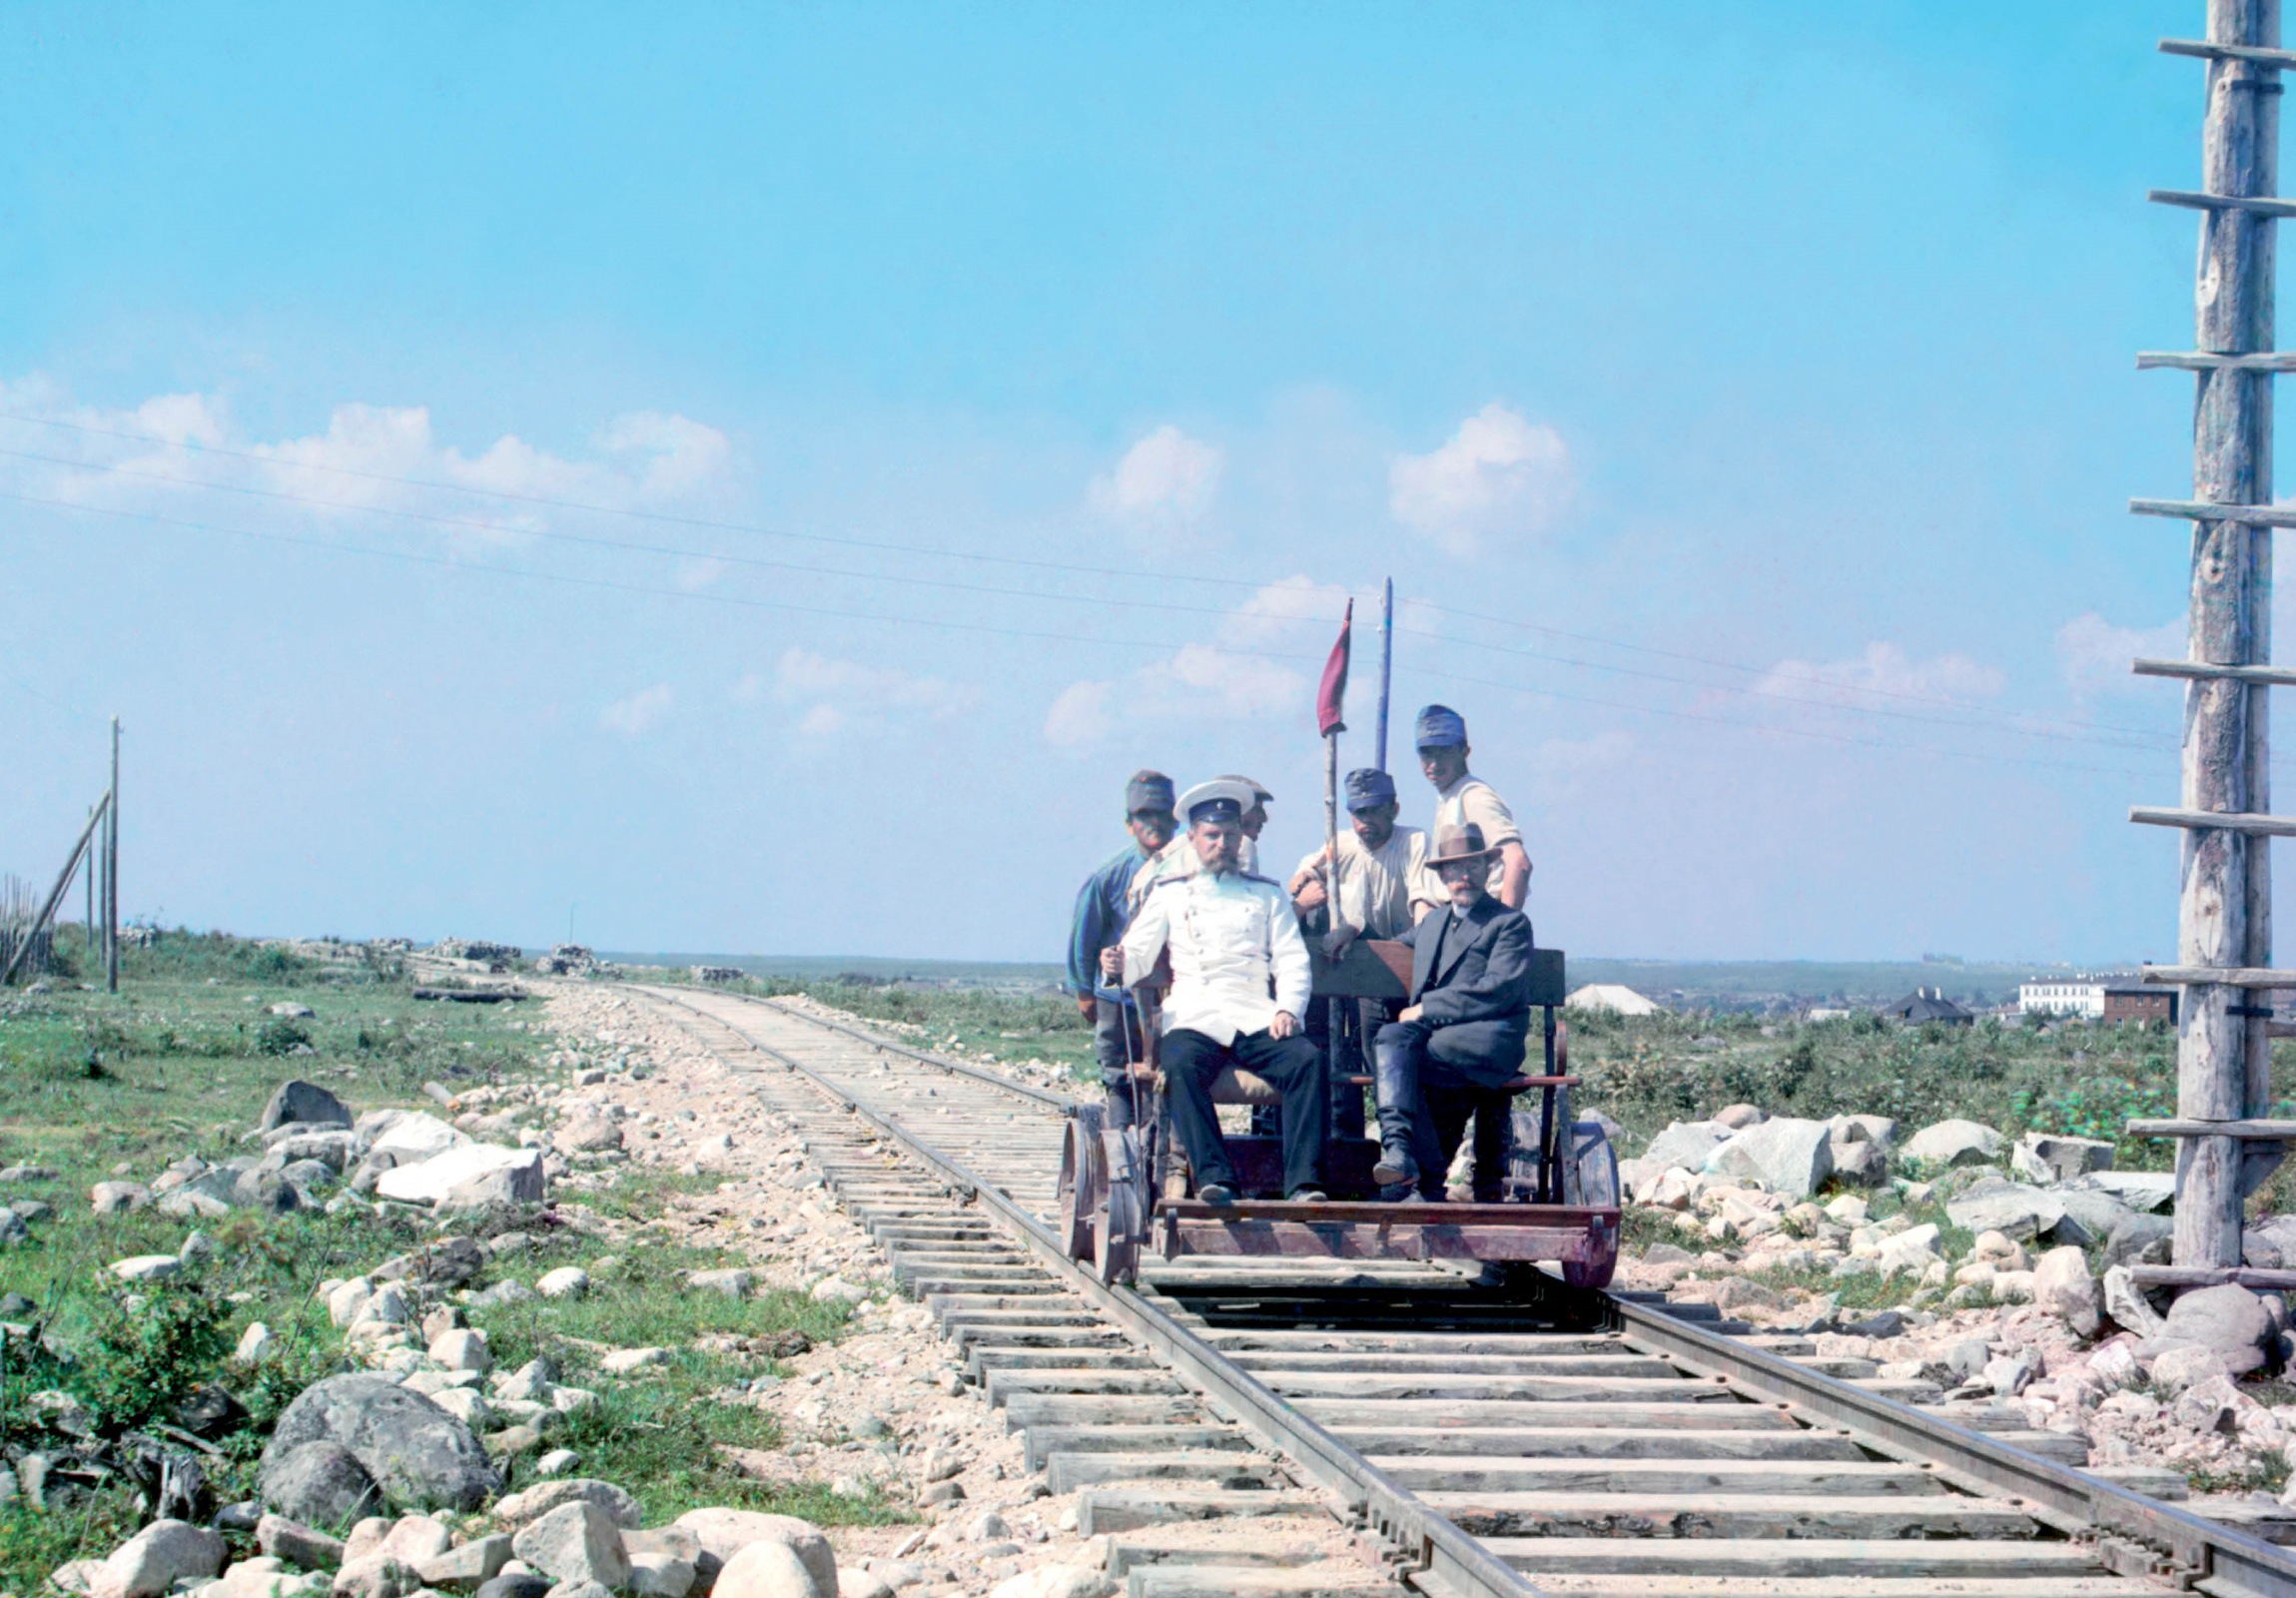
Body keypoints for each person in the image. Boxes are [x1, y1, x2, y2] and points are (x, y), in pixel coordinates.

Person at [1121, 779, 1328, 1204]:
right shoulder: (1170, 894)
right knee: (1177, 1064)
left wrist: (1288, 1007)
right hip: (1196, 1018)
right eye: (1212, 836)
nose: (1222, 844)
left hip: (1255, 1015)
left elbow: (1291, 958)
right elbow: (1137, 953)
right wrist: (1118, 962)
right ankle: (1215, 1178)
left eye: (1230, 835)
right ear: (1193, 839)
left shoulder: (1267, 895)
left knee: (1307, 1061)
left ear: (1240, 837)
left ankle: (1304, 1184)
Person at [1371, 823, 1536, 1200]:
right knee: (1391, 1040)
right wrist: (1352, 930)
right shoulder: (1434, 922)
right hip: (1439, 1037)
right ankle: (1399, 1151)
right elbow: (1388, 950)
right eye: (1456, 868)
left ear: (1486, 869)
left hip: (1489, 1036)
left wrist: (1427, 1007)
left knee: (1408, 1059)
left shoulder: (1509, 924)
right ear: (1442, 875)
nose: (1465, 876)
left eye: (1474, 866)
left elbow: (1497, 990)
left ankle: (1424, 1176)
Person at [1289, 767, 1444, 1135]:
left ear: (1394, 809)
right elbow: (1306, 869)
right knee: (1336, 1044)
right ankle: (1346, 1135)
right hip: (1348, 959)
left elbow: (1424, 905)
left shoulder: (1413, 842)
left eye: (1374, 811)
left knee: (1377, 1051)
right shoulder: (1342, 844)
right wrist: (1307, 879)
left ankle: (1399, 1139)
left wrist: (1415, 960)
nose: (1366, 823)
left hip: (1397, 960)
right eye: (1359, 814)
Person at [1065, 770, 1178, 1130]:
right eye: (1145, 815)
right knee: (1118, 1078)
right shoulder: (1107, 878)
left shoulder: (1189, 872)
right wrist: (1085, 993)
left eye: (1163, 814)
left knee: (1164, 1081)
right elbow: (1084, 940)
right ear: (1130, 824)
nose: (1155, 823)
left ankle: (1158, 1157)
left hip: (1170, 999)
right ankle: (1121, 1157)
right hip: (1119, 999)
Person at [1412, 705, 1530, 910]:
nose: (1434, 764)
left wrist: (1505, 926)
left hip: (1483, 914)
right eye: (1426, 754)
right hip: (1458, 916)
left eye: (1443, 753)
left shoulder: (1474, 796)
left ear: (1464, 752)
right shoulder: (1450, 796)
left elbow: (1518, 862)